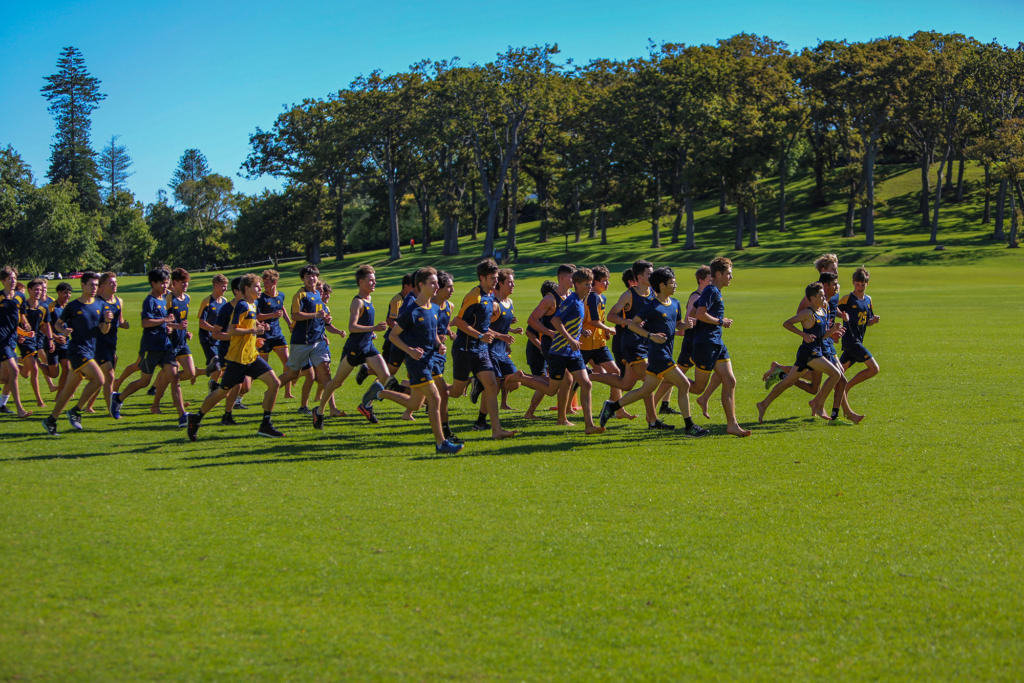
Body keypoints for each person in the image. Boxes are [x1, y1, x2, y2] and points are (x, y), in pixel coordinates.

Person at [360, 267, 465, 454]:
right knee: (435, 397)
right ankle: (442, 443)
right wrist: (410, 350)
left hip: (431, 359)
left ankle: (379, 393)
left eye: (436, 283)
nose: (436, 286)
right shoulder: (410, 310)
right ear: (421, 285)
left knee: (415, 404)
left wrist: (439, 344)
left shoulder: (433, 308)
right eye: (432, 283)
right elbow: (393, 336)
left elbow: (432, 334)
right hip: (417, 363)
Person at [598, 267, 710, 436]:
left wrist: (685, 325)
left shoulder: (675, 303)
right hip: (658, 355)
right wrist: (651, 336)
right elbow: (633, 324)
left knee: (645, 390)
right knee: (684, 384)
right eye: (672, 283)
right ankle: (689, 427)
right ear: (662, 285)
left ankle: (611, 407)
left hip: (666, 352)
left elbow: (677, 324)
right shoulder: (652, 306)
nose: (675, 285)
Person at [422, 258, 516, 440]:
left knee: (492, 385)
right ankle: (428, 395)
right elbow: (459, 321)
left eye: (496, 277)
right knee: (455, 392)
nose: (495, 281)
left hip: (481, 350)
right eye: (491, 278)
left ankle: (496, 429)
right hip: (465, 350)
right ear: (481, 278)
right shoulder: (475, 295)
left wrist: (498, 336)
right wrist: (480, 336)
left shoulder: (490, 297)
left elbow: (482, 326)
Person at [188, 273, 284, 440]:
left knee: (274, 383)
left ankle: (266, 425)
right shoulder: (241, 305)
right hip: (237, 359)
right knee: (221, 393)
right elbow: (232, 331)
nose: (260, 289)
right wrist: (254, 330)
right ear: (246, 289)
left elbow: (248, 326)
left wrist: (258, 330)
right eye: (256, 286)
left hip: (251, 356)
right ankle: (195, 419)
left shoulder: (252, 305)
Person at [510, 268, 604, 434]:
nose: (590, 287)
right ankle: (522, 377)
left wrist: (579, 332)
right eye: (587, 284)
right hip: (559, 351)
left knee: (586, 383)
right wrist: (569, 339)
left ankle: (589, 425)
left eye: (591, 284)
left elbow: (569, 321)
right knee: (552, 390)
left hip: (573, 352)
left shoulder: (580, 300)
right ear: (577, 284)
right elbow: (555, 319)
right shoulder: (571, 301)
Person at [592, 259, 670, 428]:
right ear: (640, 276)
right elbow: (612, 316)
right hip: (631, 343)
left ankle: (588, 377)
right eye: (650, 273)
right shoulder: (629, 295)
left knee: (626, 384)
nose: (653, 275)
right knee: (648, 379)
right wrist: (629, 322)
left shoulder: (652, 294)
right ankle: (653, 421)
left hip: (646, 342)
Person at [757, 282, 846, 423]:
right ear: (812, 299)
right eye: (821, 296)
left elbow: (821, 336)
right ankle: (819, 406)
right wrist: (803, 335)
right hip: (809, 353)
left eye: (824, 295)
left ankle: (763, 404)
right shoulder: (807, 313)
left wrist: (833, 330)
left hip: (816, 351)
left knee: (789, 381)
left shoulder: (822, 311)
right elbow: (787, 323)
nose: (824, 298)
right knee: (836, 374)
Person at [109, 268, 189, 426]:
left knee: (174, 378)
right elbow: (145, 322)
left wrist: (176, 326)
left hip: (165, 346)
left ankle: (182, 416)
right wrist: (165, 321)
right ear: (153, 283)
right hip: (150, 347)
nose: (165, 286)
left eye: (167, 283)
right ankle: (118, 398)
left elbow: (161, 321)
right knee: (144, 381)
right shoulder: (150, 301)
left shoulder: (162, 299)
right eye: (162, 283)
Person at [313, 264, 389, 427]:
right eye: (371, 280)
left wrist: (370, 333)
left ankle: (366, 405)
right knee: (336, 383)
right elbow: (352, 327)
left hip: (367, 346)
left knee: (385, 375)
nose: (374, 283)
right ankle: (319, 412)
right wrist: (373, 328)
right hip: (355, 348)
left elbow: (363, 325)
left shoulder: (369, 299)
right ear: (361, 282)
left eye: (374, 280)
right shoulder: (358, 302)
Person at [42, 272, 113, 434]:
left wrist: (108, 320)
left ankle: (51, 420)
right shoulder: (73, 306)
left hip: (90, 350)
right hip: (76, 350)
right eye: (92, 285)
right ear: (83, 285)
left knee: (68, 391)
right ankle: (76, 411)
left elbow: (103, 330)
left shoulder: (100, 305)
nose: (95, 288)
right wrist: (64, 331)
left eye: (96, 285)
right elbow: (58, 324)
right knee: (100, 379)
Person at [687, 257, 751, 437]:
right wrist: (721, 321)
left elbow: (693, 312)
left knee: (730, 381)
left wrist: (715, 322)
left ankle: (732, 425)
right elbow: (699, 314)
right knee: (698, 388)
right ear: (718, 274)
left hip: (717, 343)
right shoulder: (712, 290)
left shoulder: (713, 291)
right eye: (729, 274)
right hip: (707, 344)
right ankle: (666, 377)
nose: (731, 277)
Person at [276, 266, 332, 419]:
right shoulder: (300, 295)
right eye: (308, 276)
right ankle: (271, 390)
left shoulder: (318, 295)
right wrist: (315, 315)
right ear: (303, 279)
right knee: (292, 373)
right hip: (301, 342)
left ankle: (330, 409)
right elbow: (295, 315)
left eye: (314, 276)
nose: (311, 278)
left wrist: (325, 319)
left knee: (324, 373)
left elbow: (320, 315)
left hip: (317, 341)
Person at [581, 265, 635, 421]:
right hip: (585, 344)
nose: (608, 284)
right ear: (595, 282)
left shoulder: (601, 297)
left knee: (615, 371)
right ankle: (566, 410)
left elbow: (599, 320)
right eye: (604, 281)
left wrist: (604, 331)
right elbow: (592, 320)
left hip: (599, 344)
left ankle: (619, 409)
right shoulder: (591, 296)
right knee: (574, 378)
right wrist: (608, 328)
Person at [472, 268, 521, 430]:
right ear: (500, 283)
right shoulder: (493, 305)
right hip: (488, 350)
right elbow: (482, 327)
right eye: (510, 282)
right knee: (494, 386)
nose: (513, 285)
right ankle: (480, 422)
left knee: (515, 383)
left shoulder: (509, 303)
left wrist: (508, 335)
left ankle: (480, 384)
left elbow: (500, 325)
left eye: (513, 282)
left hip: (502, 350)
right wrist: (502, 336)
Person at [149, 268, 196, 415]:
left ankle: (167, 393)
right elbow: (163, 322)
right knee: (171, 377)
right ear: (174, 282)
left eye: (187, 283)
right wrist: (176, 326)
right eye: (183, 283)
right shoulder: (168, 299)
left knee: (190, 373)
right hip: (169, 344)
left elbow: (181, 320)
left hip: (182, 342)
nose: (185, 285)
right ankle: (156, 405)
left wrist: (185, 331)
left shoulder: (187, 298)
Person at [82, 272, 128, 413]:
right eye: (111, 283)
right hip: (98, 343)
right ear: (102, 286)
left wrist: (124, 324)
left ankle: (88, 405)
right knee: (109, 376)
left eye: (115, 282)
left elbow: (119, 321)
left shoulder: (118, 301)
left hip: (111, 343)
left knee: (102, 378)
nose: (114, 285)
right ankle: (111, 410)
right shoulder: (97, 302)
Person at [299, 281, 345, 417]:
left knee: (325, 376)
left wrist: (335, 332)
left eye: (326, 293)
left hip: (319, 345)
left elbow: (325, 325)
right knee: (309, 376)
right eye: (324, 293)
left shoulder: (325, 308)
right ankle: (303, 404)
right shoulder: (309, 302)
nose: (326, 296)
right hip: (306, 343)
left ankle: (331, 408)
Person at [838, 267, 881, 400]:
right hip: (851, 341)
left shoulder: (868, 300)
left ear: (867, 284)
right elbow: (832, 310)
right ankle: (847, 388)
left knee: (837, 374)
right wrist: (839, 321)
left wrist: (872, 321)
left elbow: (866, 322)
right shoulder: (847, 299)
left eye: (863, 285)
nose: (860, 288)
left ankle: (816, 402)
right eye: (858, 284)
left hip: (857, 341)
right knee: (874, 369)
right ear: (853, 283)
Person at [257, 269, 295, 398]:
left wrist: (289, 323)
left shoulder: (281, 295)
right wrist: (272, 315)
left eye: (267, 282)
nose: (264, 285)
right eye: (264, 282)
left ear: (275, 282)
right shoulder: (261, 297)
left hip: (277, 334)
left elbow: (282, 308)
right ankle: (241, 393)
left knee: (288, 364)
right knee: (261, 368)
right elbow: (256, 316)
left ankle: (287, 393)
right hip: (263, 336)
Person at [0, 267, 33, 418]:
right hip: (1, 339)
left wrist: (25, 328)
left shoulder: (20, 297)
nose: (13, 281)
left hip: (12, 339)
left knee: (5, 378)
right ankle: (20, 409)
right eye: (10, 279)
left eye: (14, 278)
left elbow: (21, 318)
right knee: (14, 371)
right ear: (3, 281)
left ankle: (1, 405)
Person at [18, 279, 50, 408]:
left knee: (26, 373)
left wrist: (51, 339)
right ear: (29, 290)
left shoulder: (43, 307)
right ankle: (40, 401)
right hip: (24, 340)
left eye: (40, 290)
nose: (38, 292)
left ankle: (13, 362)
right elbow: (15, 322)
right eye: (36, 289)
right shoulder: (22, 306)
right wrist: (21, 334)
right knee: (35, 369)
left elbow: (46, 325)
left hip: (35, 340)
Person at [196, 274, 229, 391]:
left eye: (226, 286)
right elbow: (201, 323)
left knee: (220, 366)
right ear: (216, 285)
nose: (225, 288)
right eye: (223, 286)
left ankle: (211, 384)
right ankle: (212, 387)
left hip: (220, 339)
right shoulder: (207, 302)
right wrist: (215, 330)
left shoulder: (225, 301)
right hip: (208, 339)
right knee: (217, 363)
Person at [41, 282, 73, 398]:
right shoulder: (51, 307)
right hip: (52, 343)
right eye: (65, 293)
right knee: (54, 374)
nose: (67, 296)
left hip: (65, 343)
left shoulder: (68, 308)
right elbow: (43, 326)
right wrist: (55, 338)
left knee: (67, 368)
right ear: (58, 293)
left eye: (69, 293)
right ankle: (37, 363)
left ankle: (59, 396)